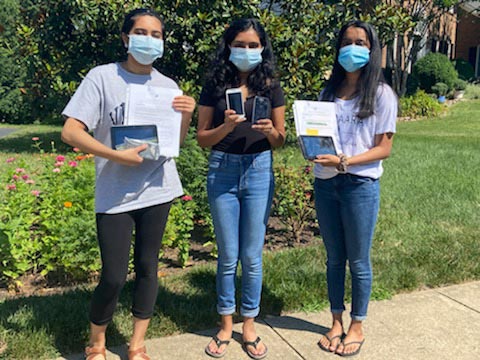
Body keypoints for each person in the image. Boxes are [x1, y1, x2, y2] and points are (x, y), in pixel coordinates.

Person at [60, 8, 195, 360]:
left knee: (149, 267)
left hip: (158, 187)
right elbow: (71, 130)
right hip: (115, 192)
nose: (149, 40)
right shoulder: (102, 78)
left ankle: (137, 344)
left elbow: (173, 145)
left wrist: (186, 115)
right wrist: (116, 156)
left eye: (156, 34)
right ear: (125, 38)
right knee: (114, 275)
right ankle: (97, 342)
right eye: (141, 32)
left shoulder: (168, 87)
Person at [197, 18, 285, 360]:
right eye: (240, 44)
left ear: (262, 49)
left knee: (251, 256)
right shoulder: (215, 85)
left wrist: (268, 132)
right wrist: (225, 127)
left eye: (253, 45)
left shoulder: (270, 85)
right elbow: (203, 138)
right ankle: (225, 324)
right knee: (227, 254)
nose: (246, 51)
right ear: (228, 45)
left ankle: (249, 324)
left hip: (259, 169)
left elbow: (280, 139)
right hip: (222, 169)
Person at [313, 20, 397, 357]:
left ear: (371, 48)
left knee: (358, 261)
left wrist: (345, 162)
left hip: (360, 185)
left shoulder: (381, 93)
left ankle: (357, 324)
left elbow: (384, 148)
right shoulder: (328, 93)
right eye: (346, 42)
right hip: (326, 183)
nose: (352, 48)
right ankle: (336, 320)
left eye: (360, 42)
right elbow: (317, 135)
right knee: (334, 259)